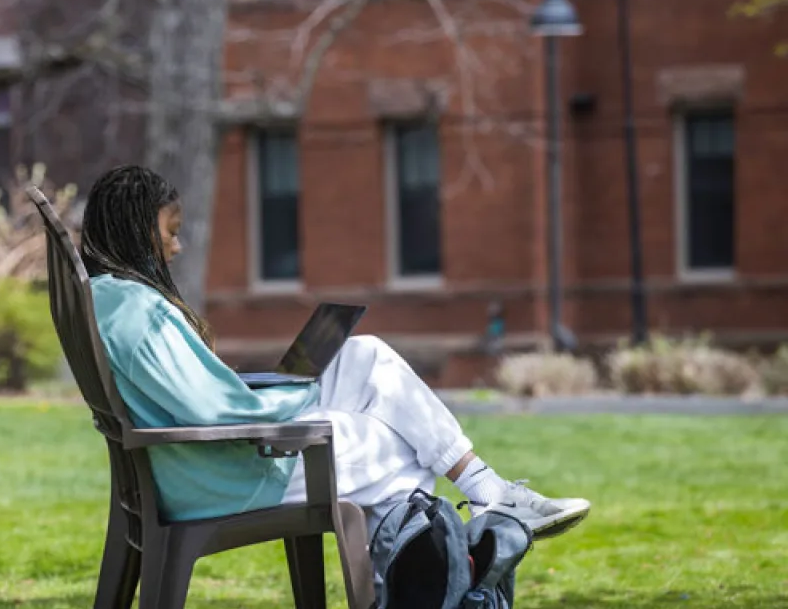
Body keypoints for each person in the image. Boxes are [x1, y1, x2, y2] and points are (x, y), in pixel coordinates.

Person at [80, 164, 590, 539]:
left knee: (366, 354)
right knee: (400, 451)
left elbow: (202, 399)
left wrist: (283, 389)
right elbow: (217, 412)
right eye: (170, 232)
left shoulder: (112, 300)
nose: (177, 246)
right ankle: (476, 528)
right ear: (137, 229)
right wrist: (296, 400)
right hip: (228, 476)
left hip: (204, 466)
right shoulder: (140, 313)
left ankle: (487, 493)